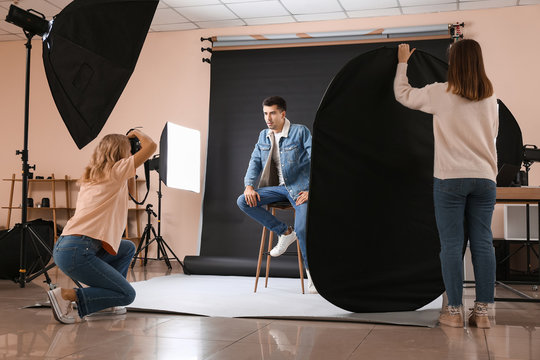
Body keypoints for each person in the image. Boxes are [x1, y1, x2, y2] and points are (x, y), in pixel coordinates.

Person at [394, 40, 498, 328]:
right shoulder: (491, 99)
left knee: (452, 245)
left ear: (453, 63)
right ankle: (483, 313)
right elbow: (493, 137)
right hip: (485, 178)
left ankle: (453, 312)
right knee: (483, 244)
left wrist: (403, 63)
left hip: (451, 178)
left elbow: (403, 95)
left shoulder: (441, 92)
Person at [47, 129, 157, 324]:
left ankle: (107, 300)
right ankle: (65, 295)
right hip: (79, 250)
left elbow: (131, 190)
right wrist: (135, 133)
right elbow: (151, 146)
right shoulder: (116, 171)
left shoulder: (94, 174)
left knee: (127, 247)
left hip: (67, 247)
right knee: (127, 295)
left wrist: (131, 158)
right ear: (120, 151)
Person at [236, 96, 316, 294]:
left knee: (304, 229)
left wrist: (311, 189)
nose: (268, 118)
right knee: (243, 201)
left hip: (299, 189)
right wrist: (248, 186)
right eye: (265, 113)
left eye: (272, 113)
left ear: (283, 113)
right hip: (276, 188)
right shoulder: (263, 135)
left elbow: (318, 159)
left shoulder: (300, 131)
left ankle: (312, 276)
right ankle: (285, 232)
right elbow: (254, 161)